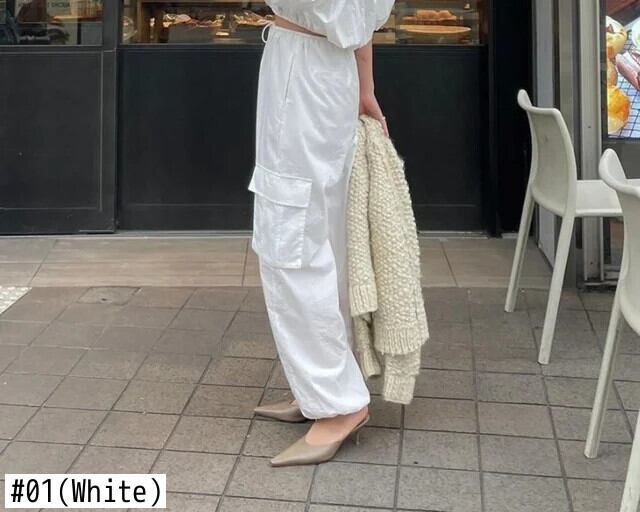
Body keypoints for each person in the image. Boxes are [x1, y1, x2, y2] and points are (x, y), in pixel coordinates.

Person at [247, 0, 395, 467]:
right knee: (324, 234)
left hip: (304, 72)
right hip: (321, 68)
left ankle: (337, 402)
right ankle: (324, 387)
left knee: (292, 238)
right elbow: (359, 25)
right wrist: (365, 86)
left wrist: (364, 85)